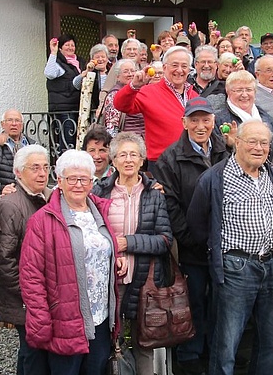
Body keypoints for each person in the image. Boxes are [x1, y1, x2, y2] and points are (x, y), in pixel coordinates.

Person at [187, 119, 273, 375]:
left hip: (272, 266)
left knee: (271, 342)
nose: (259, 148)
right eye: (252, 141)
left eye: (264, 143)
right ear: (237, 143)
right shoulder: (215, 177)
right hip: (236, 268)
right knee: (226, 345)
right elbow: (197, 223)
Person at [19, 150, 126, 375]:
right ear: (59, 181)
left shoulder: (99, 212)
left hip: (101, 318)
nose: (78, 184)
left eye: (84, 178)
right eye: (72, 178)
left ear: (91, 181)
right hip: (65, 321)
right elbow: (31, 277)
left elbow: (98, 249)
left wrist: (115, 260)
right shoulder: (42, 221)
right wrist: (41, 320)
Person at [152, 97, 230, 375]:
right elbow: (170, 204)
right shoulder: (170, 158)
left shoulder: (226, 151)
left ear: (213, 122)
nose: (200, 126)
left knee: (222, 301)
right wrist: (192, 238)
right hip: (193, 247)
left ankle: (217, 351)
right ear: (184, 123)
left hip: (226, 245)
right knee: (194, 299)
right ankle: (190, 354)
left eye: (205, 120)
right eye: (194, 120)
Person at [91, 132, 172, 374]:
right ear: (113, 160)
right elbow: (92, 235)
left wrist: (128, 243)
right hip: (108, 279)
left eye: (134, 155)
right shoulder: (99, 192)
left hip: (145, 279)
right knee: (108, 342)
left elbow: (165, 240)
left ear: (142, 160)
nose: (128, 160)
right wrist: (115, 252)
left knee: (144, 341)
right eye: (122, 155)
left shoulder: (154, 194)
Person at [0, 144, 52, 375]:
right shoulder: (10, 205)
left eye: (45, 167)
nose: (42, 173)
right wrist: (29, 293)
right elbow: (2, 259)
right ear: (18, 172)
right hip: (23, 298)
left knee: (33, 353)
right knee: (32, 353)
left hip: (41, 296)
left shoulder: (49, 199)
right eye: (34, 168)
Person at [114, 46, 199, 166]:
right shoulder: (149, 91)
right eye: (174, 65)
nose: (179, 70)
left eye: (184, 66)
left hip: (191, 161)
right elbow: (120, 104)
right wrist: (134, 86)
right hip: (162, 162)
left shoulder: (194, 95)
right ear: (165, 68)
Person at [212, 70, 273, 167]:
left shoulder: (264, 116)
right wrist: (232, 146)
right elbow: (217, 160)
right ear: (228, 91)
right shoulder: (219, 121)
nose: (244, 95)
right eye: (239, 90)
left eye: (249, 90)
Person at [45, 34, 84, 152]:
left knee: (78, 140)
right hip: (63, 109)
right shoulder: (57, 62)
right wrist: (53, 52)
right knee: (67, 141)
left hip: (77, 107)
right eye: (67, 45)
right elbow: (50, 74)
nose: (70, 47)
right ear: (60, 48)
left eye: (72, 45)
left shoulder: (79, 62)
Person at [101, 59, 138, 137]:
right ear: (118, 77)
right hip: (125, 140)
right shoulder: (114, 94)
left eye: (132, 71)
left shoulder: (139, 90)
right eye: (126, 71)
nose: (130, 74)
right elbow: (111, 127)